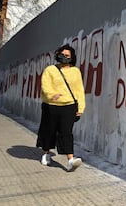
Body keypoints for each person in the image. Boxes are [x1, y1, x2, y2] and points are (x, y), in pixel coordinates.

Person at [36, 44, 86, 172]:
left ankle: (70, 160)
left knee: (66, 132)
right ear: (58, 55)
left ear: (72, 57)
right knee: (49, 130)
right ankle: (46, 154)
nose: (64, 57)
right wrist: (52, 95)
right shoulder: (50, 70)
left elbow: (79, 90)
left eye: (67, 55)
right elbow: (45, 85)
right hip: (50, 105)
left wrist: (81, 107)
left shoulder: (75, 71)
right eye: (62, 54)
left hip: (69, 106)